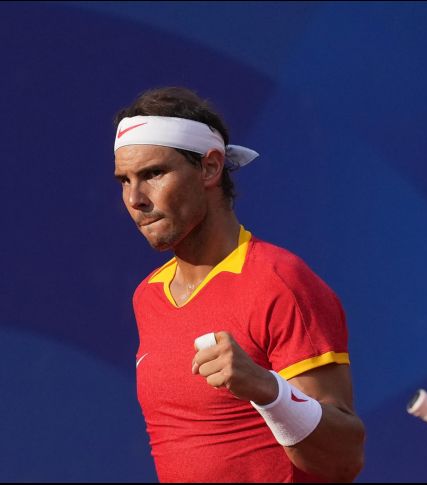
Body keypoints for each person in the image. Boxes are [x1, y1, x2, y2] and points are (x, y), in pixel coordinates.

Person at [113, 87, 365, 482]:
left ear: (210, 168)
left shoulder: (280, 281)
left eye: (152, 174)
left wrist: (269, 390)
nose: (135, 198)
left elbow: (344, 459)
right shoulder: (148, 295)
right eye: (124, 181)